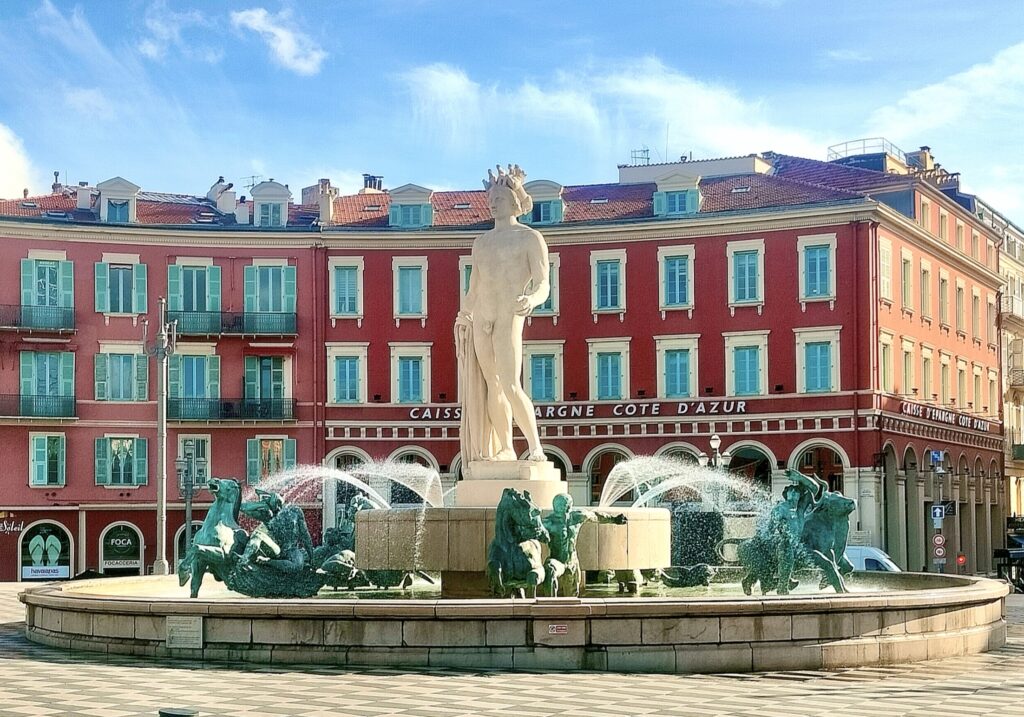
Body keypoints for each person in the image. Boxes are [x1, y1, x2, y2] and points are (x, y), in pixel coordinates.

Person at [455, 164, 550, 463]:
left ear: (513, 201)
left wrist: (533, 298)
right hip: (482, 317)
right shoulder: (480, 243)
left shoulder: (530, 238)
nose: (493, 203)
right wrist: (463, 316)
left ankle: (535, 447)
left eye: (499, 198)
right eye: (491, 199)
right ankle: (507, 448)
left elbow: (544, 282)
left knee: (510, 383)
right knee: (492, 385)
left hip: (510, 314)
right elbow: (474, 287)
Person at [542, 493, 626, 597]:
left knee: (572, 595)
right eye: (558, 506)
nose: (561, 509)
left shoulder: (577, 516)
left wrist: (613, 519)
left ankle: (572, 612)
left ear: (569, 505)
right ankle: (548, 606)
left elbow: (595, 516)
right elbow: (532, 530)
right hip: (557, 560)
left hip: (572, 561)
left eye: (563, 506)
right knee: (550, 570)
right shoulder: (548, 522)